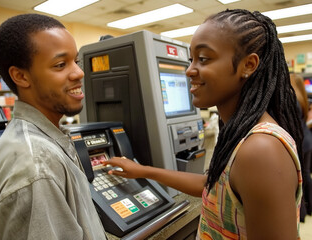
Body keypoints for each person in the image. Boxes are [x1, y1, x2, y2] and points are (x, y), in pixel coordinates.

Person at [102, 9, 304, 240]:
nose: (190, 70)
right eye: (191, 60)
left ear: (248, 65)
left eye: (204, 59)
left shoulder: (260, 150)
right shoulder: (239, 135)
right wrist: (142, 171)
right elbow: (212, 186)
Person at [0, 14, 107, 239]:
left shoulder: (48, 140)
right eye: (60, 64)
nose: (79, 72)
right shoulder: (36, 166)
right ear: (20, 76)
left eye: (76, 61)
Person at [290, 73, 312, 221]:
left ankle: (304, 210)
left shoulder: (293, 99)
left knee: (302, 176)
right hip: (308, 141)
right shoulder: (302, 98)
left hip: (301, 143)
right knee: (306, 174)